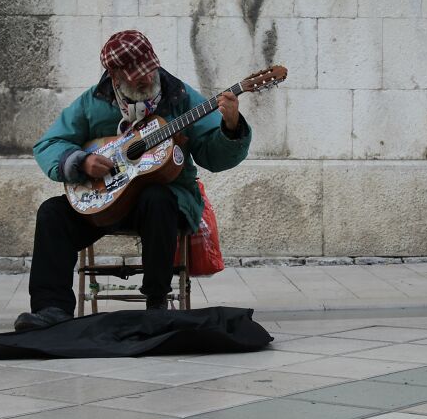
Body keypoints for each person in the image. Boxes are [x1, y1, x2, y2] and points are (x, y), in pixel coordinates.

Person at [14, 30, 252, 331]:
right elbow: (48, 146)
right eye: (134, 75)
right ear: (113, 74)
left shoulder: (180, 97)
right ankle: (51, 309)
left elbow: (213, 156)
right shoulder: (93, 102)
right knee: (52, 213)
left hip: (163, 201)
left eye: (148, 70)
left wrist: (231, 128)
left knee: (158, 198)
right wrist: (81, 162)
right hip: (106, 200)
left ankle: (156, 303)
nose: (144, 79)